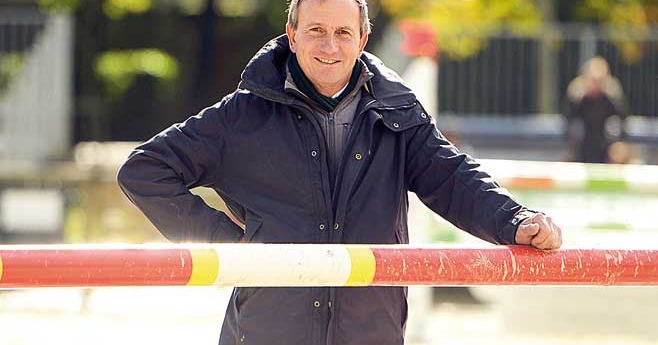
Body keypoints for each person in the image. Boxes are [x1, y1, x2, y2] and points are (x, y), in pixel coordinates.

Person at [117, 0, 562, 344]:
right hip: (269, 333)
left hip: (370, 332)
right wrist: (231, 246)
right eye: (316, 31)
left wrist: (515, 220)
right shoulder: (243, 115)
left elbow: (452, 177)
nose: (330, 46)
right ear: (291, 35)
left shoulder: (399, 111)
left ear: (363, 38)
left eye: (343, 32)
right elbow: (145, 171)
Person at [563, 56, 628, 163]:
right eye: (593, 79)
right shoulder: (577, 96)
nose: (596, 84)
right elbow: (568, 121)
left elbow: (624, 120)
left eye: (600, 80)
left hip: (606, 147)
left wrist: (619, 144)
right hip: (581, 147)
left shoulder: (611, 97)